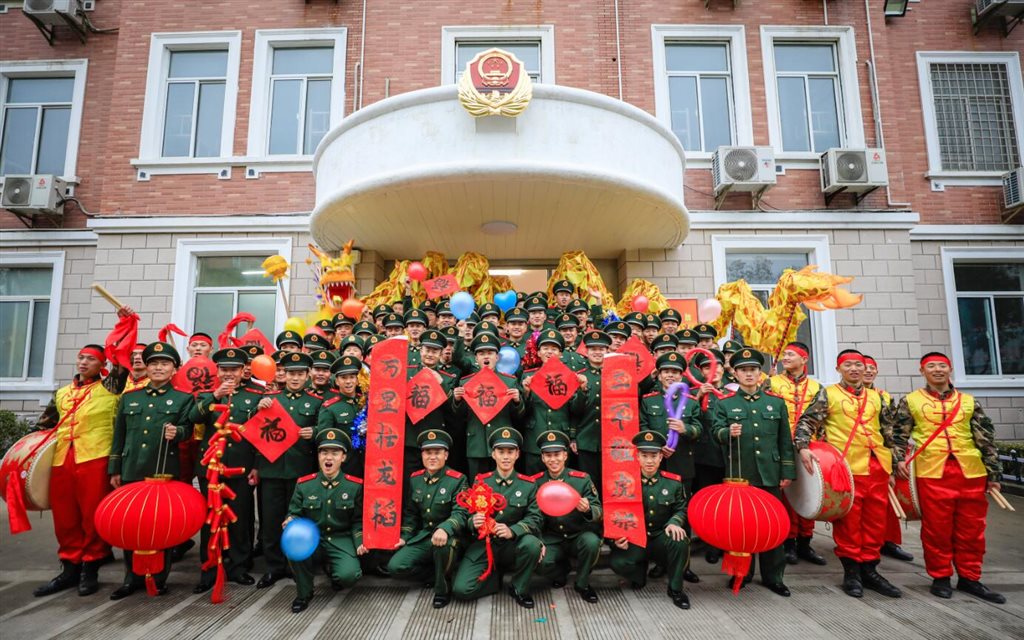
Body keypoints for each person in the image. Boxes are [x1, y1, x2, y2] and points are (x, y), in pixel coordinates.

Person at [32, 305, 134, 598]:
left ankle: (91, 567)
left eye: (90, 358)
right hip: (63, 460)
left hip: (95, 458)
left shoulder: (111, 386)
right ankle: (69, 568)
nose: (83, 362)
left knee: (92, 516)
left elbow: (122, 361)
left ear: (101, 364)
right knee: (65, 516)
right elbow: (43, 427)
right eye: (81, 357)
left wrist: (125, 325)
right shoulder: (63, 393)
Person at [893, 352, 1005, 604]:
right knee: (936, 529)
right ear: (922, 372)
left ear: (950, 369)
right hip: (932, 472)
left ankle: (970, 577)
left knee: (972, 529)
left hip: (970, 471)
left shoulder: (968, 401)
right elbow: (898, 435)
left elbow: (985, 437)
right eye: (931, 366)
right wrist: (898, 459)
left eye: (942, 365)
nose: (937, 370)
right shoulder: (910, 400)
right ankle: (940, 576)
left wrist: (993, 473)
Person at [795, 349, 902, 599]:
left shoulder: (878, 398)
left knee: (876, 521)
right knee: (849, 522)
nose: (854, 369)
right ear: (838, 369)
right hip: (845, 468)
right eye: (848, 365)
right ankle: (851, 572)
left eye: (859, 365)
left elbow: (891, 433)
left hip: (877, 466)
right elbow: (807, 422)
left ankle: (871, 570)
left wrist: (895, 463)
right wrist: (802, 447)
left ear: (866, 369)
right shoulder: (828, 393)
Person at [107, 340, 194, 600]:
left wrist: (177, 432)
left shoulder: (183, 399)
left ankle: (158, 577)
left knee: (160, 526)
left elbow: (188, 430)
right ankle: (130, 578)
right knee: (132, 525)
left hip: (163, 471)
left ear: (174, 369)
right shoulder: (130, 398)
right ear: (146, 367)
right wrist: (115, 469)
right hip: (132, 469)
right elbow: (119, 436)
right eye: (153, 363)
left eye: (164, 363)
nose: (158, 368)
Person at [714, 348, 795, 596]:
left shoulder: (775, 402)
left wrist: (787, 471)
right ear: (735, 374)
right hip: (741, 473)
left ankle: (774, 576)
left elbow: (784, 441)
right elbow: (715, 432)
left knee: (773, 526)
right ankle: (742, 572)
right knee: (741, 526)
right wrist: (728, 433)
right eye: (743, 370)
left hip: (769, 473)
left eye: (753, 370)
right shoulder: (726, 403)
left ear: (760, 373)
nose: (749, 374)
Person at [188, 347, 263, 593]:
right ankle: (208, 568)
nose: (229, 374)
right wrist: (215, 396)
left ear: (244, 371)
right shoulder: (206, 395)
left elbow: (261, 436)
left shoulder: (256, 395)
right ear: (217, 371)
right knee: (210, 518)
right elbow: (193, 418)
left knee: (240, 517)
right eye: (224, 369)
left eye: (234, 369)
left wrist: (256, 466)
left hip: (240, 466)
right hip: (211, 468)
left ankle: (239, 567)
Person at [452, 428, 543, 609]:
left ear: (518, 454)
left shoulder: (528, 484)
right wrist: (473, 522)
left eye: (510, 452)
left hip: (512, 544)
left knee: (532, 544)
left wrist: (513, 531)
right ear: (493, 454)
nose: (506, 457)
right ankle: (494, 579)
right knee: (461, 590)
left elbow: (535, 518)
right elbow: (467, 514)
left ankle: (519, 587)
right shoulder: (481, 482)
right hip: (485, 544)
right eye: (501, 452)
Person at [255, 352, 321, 590]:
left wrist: (314, 432)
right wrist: (258, 409)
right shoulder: (270, 400)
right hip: (271, 470)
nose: (295, 378)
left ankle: (296, 566)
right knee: (271, 522)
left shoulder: (315, 402)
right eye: (291, 373)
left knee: (297, 521)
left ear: (308, 376)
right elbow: (256, 435)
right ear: (284, 375)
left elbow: (323, 432)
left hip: (301, 471)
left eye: (300, 374)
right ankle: (273, 568)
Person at [608, 431, 691, 610]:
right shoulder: (624, 483)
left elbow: (681, 508)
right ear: (637, 456)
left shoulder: (673, 483)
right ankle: (639, 574)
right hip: (635, 539)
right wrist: (614, 539)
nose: (649, 461)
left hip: (661, 535)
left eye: (654, 456)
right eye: (644, 456)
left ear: (661, 457)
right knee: (617, 562)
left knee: (680, 541)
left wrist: (674, 522)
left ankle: (675, 589)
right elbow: (613, 514)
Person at [286, 428, 366, 613]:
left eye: (334, 453)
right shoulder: (305, 484)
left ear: (343, 457)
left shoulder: (354, 486)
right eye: (324, 452)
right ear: (319, 456)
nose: (328, 458)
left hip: (341, 539)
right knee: (294, 545)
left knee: (349, 576)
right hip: (312, 538)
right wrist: (290, 520)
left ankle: (335, 571)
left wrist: (360, 541)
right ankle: (304, 593)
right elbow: (294, 512)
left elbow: (357, 521)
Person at [387, 429, 468, 609]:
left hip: (450, 536)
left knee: (443, 545)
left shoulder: (457, 479)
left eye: (437, 453)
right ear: (422, 455)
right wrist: (405, 537)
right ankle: (438, 573)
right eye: (428, 452)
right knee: (396, 567)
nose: (432, 457)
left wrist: (445, 528)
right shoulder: (415, 479)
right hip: (424, 536)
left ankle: (442, 590)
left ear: (446, 455)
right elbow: (411, 515)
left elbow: (461, 513)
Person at [768, 341, 828, 566]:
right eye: (784, 354)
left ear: (805, 359)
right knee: (787, 497)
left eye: (791, 354)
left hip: (809, 448)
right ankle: (789, 543)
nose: (786, 357)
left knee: (808, 493)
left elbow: (821, 420)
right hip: (780, 446)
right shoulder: (772, 383)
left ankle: (806, 542)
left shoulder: (817, 387)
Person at [532, 430, 602, 603]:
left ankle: (583, 583)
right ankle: (560, 571)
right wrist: (537, 540)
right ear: (542, 458)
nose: (553, 459)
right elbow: (531, 515)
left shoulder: (582, 479)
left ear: (565, 455)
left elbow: (599, 511)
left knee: (592, 543)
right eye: (548, 455)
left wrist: (587, 509)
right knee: (538, 561)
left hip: (578, 534)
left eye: (557, 454)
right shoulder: (535, 482)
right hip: (552, 537)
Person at [452, 334, 525, 480]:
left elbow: (519, 417)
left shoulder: (509, 382)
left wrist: (518, 401)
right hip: (476, 444)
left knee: (502, 486)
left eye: (490, 353)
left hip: (502, 444)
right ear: (476, 358)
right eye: (481, 353)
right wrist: (457, 400)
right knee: (478, 489)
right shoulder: (466, 382)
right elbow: (459, 416)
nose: (486, 357)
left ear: (497, 357)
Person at [863, 354, 914, 563]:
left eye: (871, 368)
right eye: (863, 366)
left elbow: (892, 430)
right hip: (856, 453)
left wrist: (896, 459)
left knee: (886, 500)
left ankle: (889, 541)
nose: (867, 371)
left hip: (881, 453)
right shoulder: (838, 395)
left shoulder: (885, 397)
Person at [520, 330, 585, 475]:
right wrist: (526, 392)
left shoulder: (569, 377)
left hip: (561, 436)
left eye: (554, 349)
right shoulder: (528, 376)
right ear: (538, 353)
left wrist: (582, 391)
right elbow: (522, 411)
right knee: (533, 483)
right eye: (545, 348)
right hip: (534, 440)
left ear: (561, 355)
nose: (550, 352)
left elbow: (576, 410)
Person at [685, 347, 728, 564]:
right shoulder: (692, 393)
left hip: (729, 459)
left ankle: (726, 543)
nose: (713, 370)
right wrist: (699, 395)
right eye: (706, 367)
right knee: (708, 502)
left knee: (727, 505)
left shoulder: (733, 391)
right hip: (704, 458)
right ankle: (711, 543)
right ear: (701, 371)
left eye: (717, 365)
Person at [403, 330, 458, 478]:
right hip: (410, 438)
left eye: (435, 351)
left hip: (434, 438)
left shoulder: (447, 379)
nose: (430, 354)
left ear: (441, 354)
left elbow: (454, 410)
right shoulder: (406, 373)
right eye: (427, 350)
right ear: (420, 351)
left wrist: (442, 385)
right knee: (410, 483)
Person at [569, 330, 613, 481]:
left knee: (610, 483)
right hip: (586, 439)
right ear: (586, 351)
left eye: (601, 349)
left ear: (608, 350)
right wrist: (573, 437)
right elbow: (574, 410)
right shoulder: (578, 376)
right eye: (593, 349)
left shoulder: (617, 374)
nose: (597, 352)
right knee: (588, 483)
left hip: (612, 440)